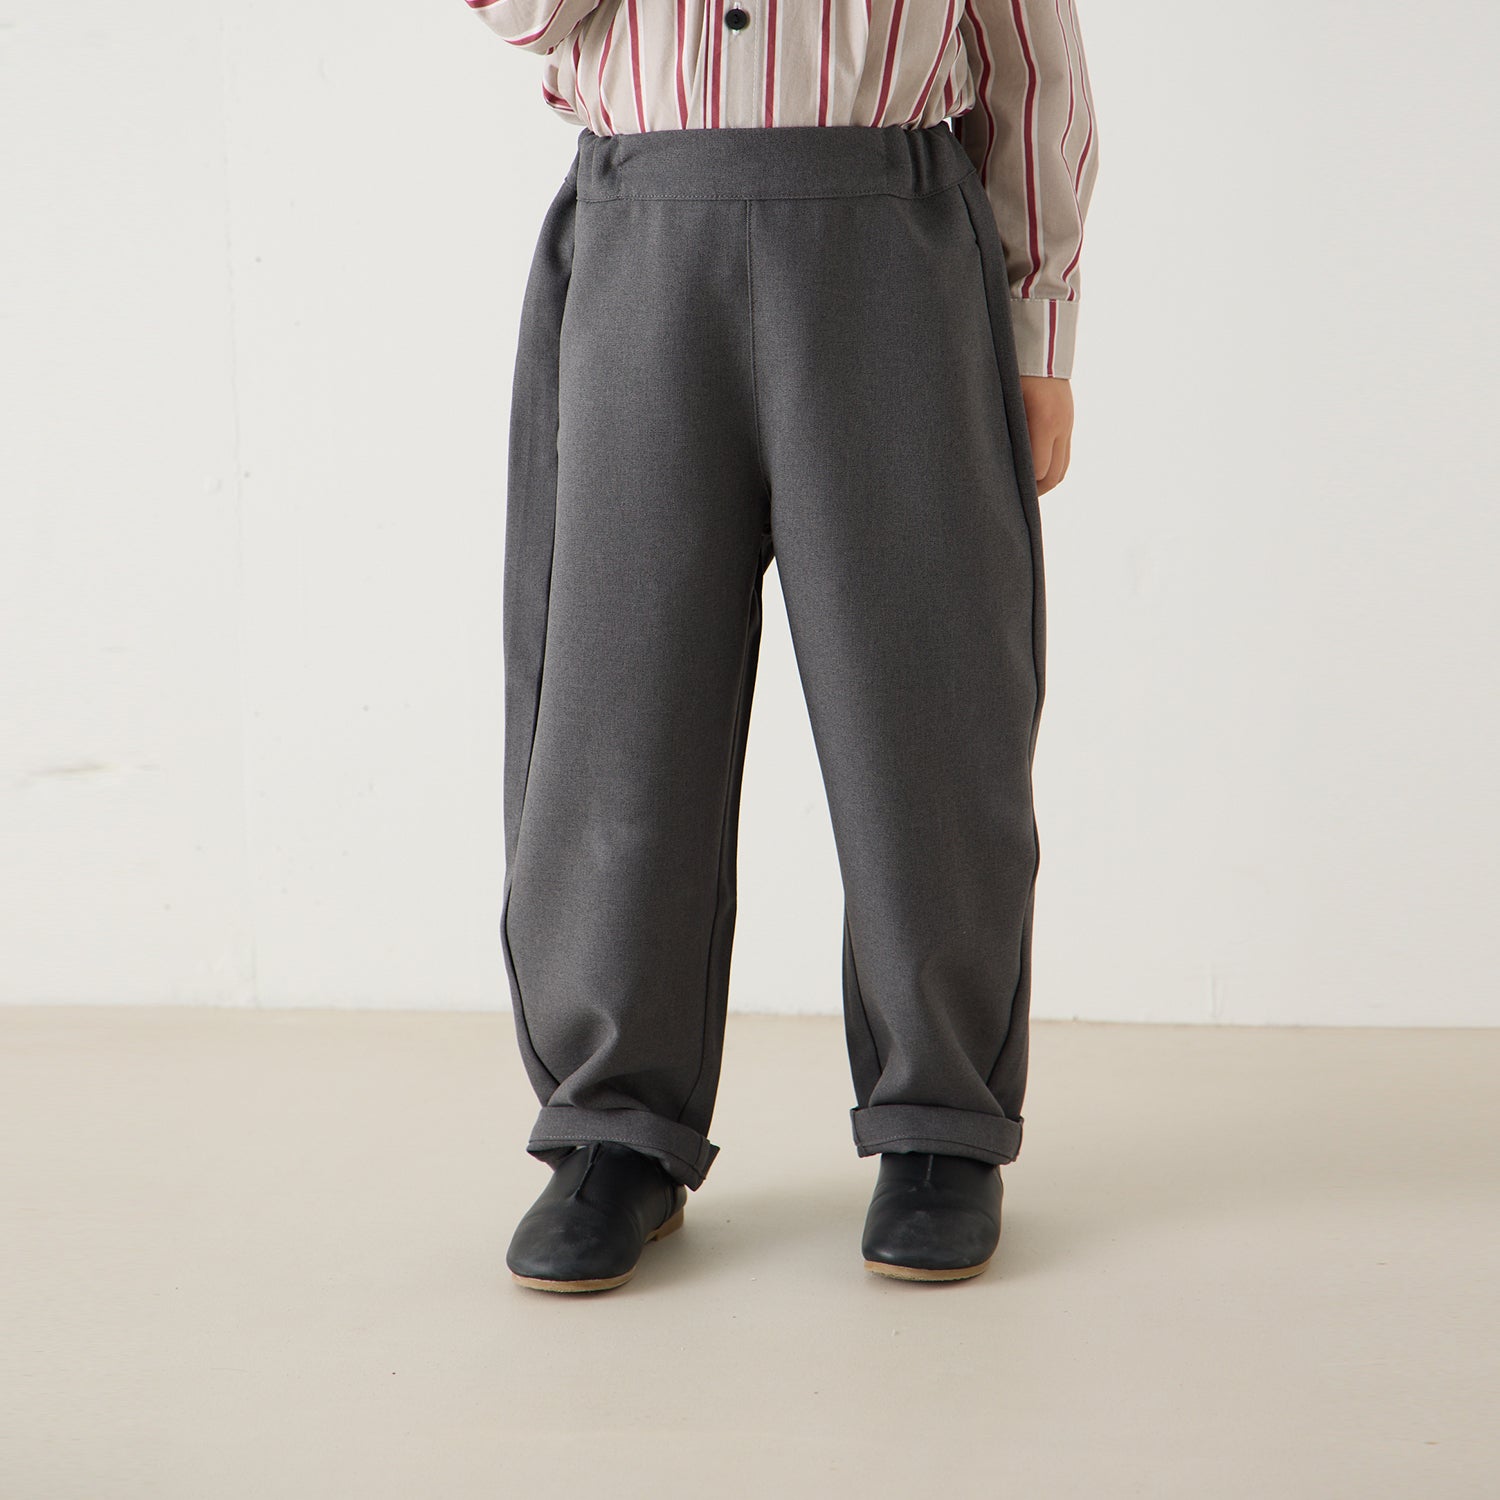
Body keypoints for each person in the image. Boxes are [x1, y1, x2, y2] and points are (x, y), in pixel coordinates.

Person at [466, 0, 1098, 1291]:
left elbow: (1031, 63)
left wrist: (1038, 327)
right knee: (613, 702)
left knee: (928, 703)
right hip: (646, 232)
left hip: (896, 243)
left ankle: (941, 1122)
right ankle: (611, 1126)